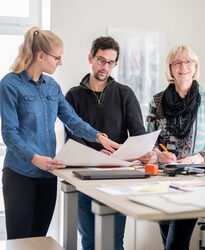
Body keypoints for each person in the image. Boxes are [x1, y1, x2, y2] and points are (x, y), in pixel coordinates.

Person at [0, 27, 119, 240]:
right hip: (19, 176)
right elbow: (9, 134)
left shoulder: (52, 86)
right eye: (57, 58)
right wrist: (35, 159)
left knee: (38, 241)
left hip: (47, 176)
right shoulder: (10, 84)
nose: (60, 62)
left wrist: (99, 136)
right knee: (19, 242)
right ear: (41, 56)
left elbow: (72, 120)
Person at [65, 36, 156, 250]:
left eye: (111, 62)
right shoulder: (73, 96)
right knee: (89, 241)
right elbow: (72, 139)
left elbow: (138, 134)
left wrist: (144, 151)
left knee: (114, 242)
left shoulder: (125, 94)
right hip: (84, 178)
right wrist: (96, 156)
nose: (105, 67)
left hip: (117, 177)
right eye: (101, 60)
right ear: (90, 58)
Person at [145, 45, 205, 250]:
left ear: (195, 66)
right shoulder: (157, 100)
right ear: (170, 69)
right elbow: (148, 139)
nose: (183, 67)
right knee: (168, 241)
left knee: (175, 244)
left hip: (195, 179)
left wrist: (201, 156)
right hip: (164, 179)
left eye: (188, 62)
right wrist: (159, 154)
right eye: (177, 62)